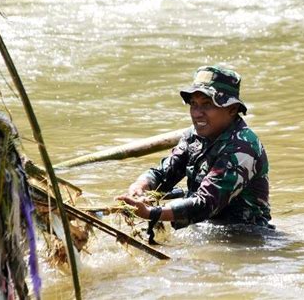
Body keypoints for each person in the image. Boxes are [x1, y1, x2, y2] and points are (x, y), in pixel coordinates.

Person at [116, 65, 271, 230]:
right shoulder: (193, 135)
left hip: (246, 238)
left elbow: (206, 203)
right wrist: (140, 186)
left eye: (207, 104)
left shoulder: (242, 148)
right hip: (206, 228)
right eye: (193, 104)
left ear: (232, 109)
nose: (197, 113)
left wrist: (151, 213)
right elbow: (164, 173)